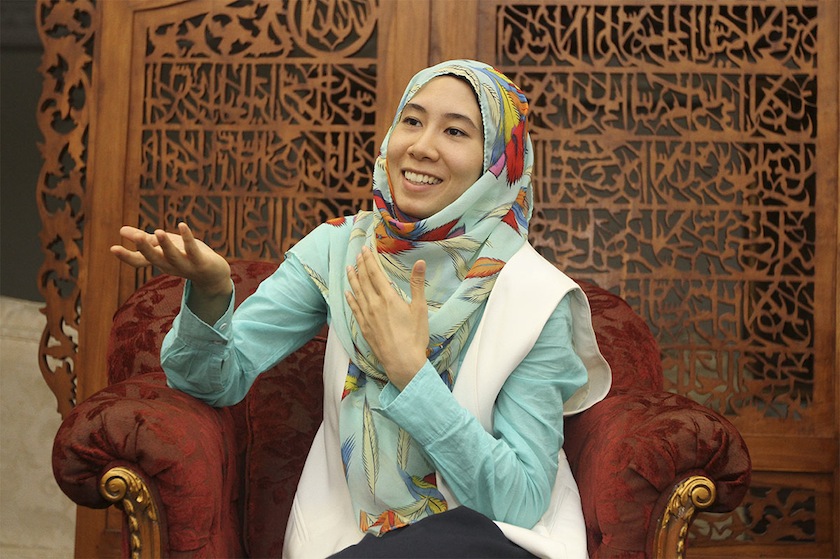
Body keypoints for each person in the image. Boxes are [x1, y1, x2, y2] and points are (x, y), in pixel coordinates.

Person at [111, 59, 611, 559]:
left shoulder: (536, 296)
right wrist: (211, 292)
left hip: (495, 543)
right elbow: (210, 381)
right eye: (412, 120)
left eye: (455, 131)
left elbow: (520, 502)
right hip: (354, 542)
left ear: (497, 162)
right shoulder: (340, 251)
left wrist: (411, 375)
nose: (421, 146)